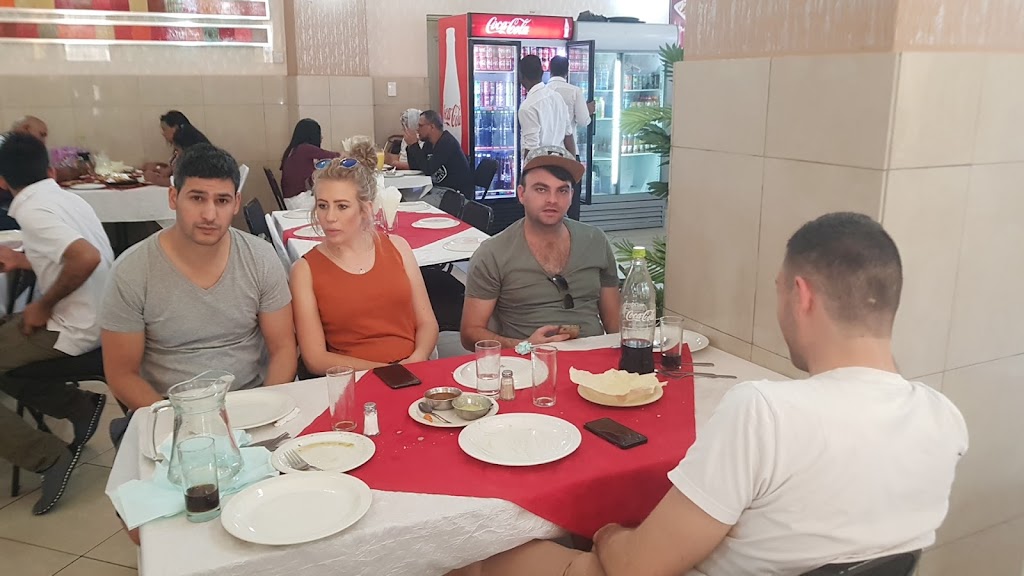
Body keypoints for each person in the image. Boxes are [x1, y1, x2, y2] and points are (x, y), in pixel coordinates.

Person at [455, 212, 968, 576]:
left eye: (778, 289)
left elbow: (636, 567)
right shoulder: (945, 420)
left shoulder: (765, 412)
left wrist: (607, 532)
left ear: (802, 296)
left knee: (478, 555)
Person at [101, 144, 297, 410]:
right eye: (197, 198)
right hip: (169, 411)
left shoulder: (260, 258)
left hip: (252, 401)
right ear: (173, 197)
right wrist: (180, 422)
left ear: (236, 203)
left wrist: (267, 407)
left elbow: (283, 349)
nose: (209, 215)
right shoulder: (131, 271)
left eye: (222, 201)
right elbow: (122, 375)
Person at [0, 132, 112, 515]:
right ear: (48, 169)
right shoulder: (67, 198)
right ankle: (77, 406)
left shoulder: (33, 211)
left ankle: (47, 456)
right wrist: (22, 260)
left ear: (2, 180)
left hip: (77, 325)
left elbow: (86, 257)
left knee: (10, 338)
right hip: (103, 315)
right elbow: (68, 254)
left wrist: (43, 305)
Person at [290, 142, 438, 374]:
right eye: (322, 206)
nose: (329, 217)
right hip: (354, 379)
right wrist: (387, 372)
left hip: (413, 368)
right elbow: (315, 358)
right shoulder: (304, 270)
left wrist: (417, 358)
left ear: (365, 209)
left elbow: (427, 322)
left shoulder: (398, 248)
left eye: (342, 206)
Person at [460, 146, 619, 351]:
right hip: (527, 360)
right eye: (541, 189)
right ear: (521, 194)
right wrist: (525, 346)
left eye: (562, 190)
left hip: (593, 356)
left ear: (571, 196)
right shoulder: (493, 253)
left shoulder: (595, 240)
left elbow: (614, 323)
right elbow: (470, 333)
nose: (552, 199)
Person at [404, 109, 475, 201]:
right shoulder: (429, 144)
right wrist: (410, 147)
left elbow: (428, 170)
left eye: (421, 126)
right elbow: (418, 168)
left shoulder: (446, 143)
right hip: (438, 189)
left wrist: (414, 146)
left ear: (432, 127)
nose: (417, 129)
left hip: (455, 194)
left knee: (412, 202)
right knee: (406, 197)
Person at [518, 55, 573, 157]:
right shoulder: (557, 97)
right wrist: (572, 164)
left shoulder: (527, 107)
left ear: (521, 77)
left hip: (541, 164)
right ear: (542, 73)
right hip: (560, 162)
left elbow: (531, 150)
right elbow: (568, 136)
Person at [280, 118, 340, 207]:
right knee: (337, 201)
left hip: (292, 200)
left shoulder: (294, 150)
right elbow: (334, 156)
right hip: (299, 201)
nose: (321, 137)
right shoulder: (305, 149)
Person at [547, 56, 594, 156]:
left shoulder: (543, 92)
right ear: (567, 71)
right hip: (569, 150)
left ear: (549, 69)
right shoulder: (574, 91)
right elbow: (583, 121)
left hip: (546, 151)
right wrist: (588, 111)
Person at [142, 124, 211, 187]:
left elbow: (178, 182)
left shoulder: (198, 161)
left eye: (177, 150)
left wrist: (155, 179)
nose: (177, 153)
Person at [141, 110, 192, 183]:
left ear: (175, 128)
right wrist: (157, 167)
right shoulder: (179, 147)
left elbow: (183, 181)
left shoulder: (193, 150)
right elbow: (173, 170)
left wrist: (155, 179)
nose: (163, 133)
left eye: (164, 129)